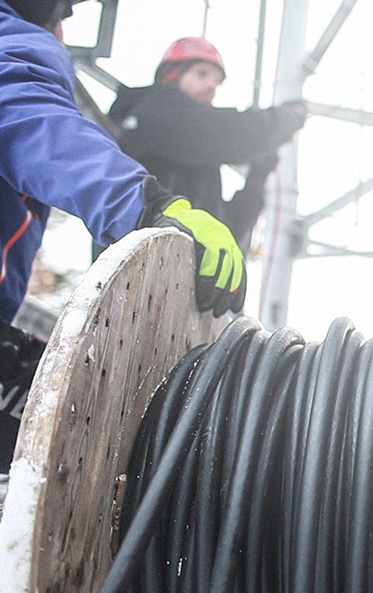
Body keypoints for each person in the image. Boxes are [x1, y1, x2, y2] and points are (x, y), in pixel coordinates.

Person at [0, 0, 248, 472]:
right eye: (63, 13)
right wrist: (148, 205)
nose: (64, 28)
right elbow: (26, 119)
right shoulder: (18, 39)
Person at [105, 37, 308, 252]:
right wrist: (289, 117)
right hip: (142, 265)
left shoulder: (190, 151)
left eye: (217, 81)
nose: (211, 85)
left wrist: (256, 180)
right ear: (172, 74)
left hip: (173, 269)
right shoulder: (159, 111)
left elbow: (223, 231)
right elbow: (240, 131)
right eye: (201, 73)